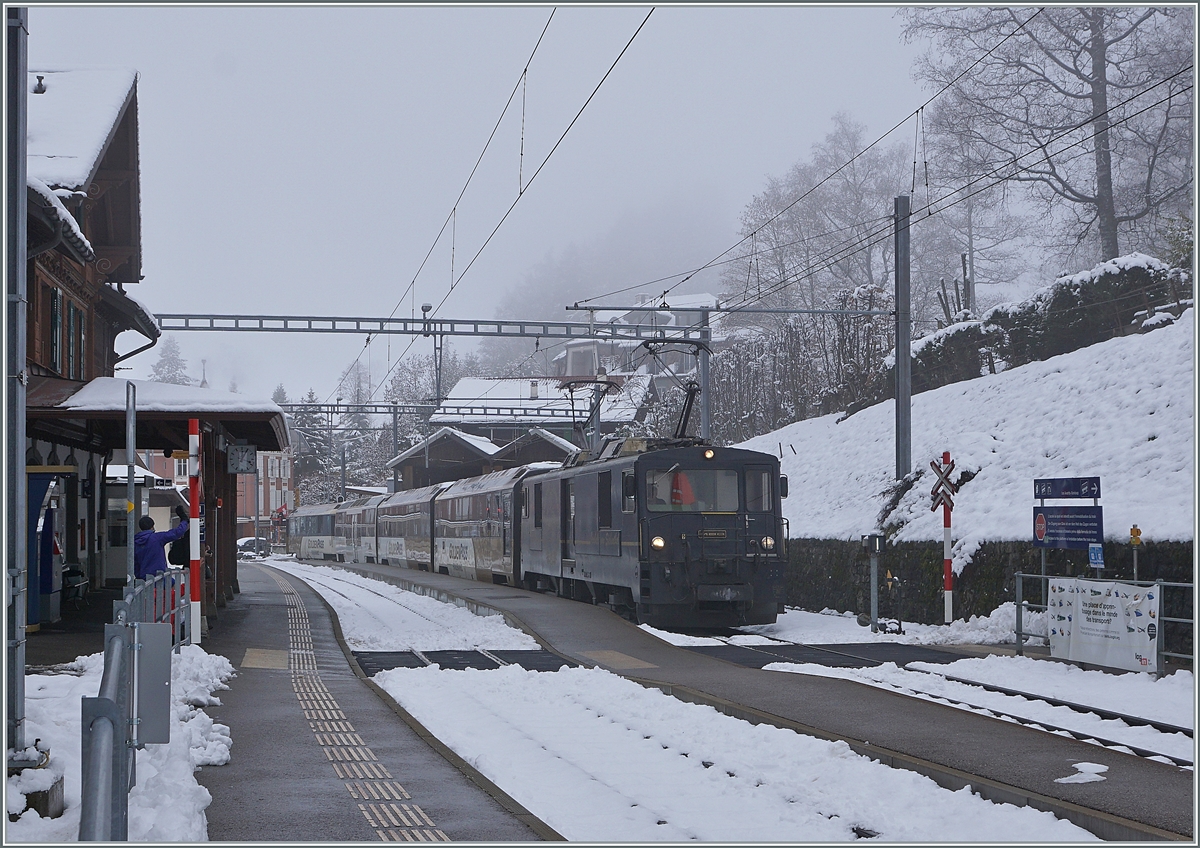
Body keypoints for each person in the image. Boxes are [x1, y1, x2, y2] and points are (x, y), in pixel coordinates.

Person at [134, 505, 190, 580]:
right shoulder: (157, 538)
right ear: (152, 526)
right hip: (159, 576)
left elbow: (135, 563)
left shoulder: (135, 542)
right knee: (172, 585)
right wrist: (184, 520)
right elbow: (176, 533)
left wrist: (139, 577)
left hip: (145, 579)